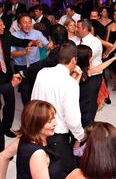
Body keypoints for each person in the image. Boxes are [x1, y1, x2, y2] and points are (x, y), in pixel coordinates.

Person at [31, 43, 86, 178]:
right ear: (74, 59)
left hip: (37, 130)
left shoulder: (42, 73)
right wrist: (80, 136)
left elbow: (34, 101)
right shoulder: (70, 83)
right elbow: (72, 118)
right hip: (56, 136)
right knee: (66, 172)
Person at [76, 45, 116, 127]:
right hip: (79, 104)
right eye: (90, 56)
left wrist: (114, 58)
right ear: (84, 59)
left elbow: (98, 68)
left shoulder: (86, 68)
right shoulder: (75, 71)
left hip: (87, 103)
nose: (92, 58)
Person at [16, 100, 61, 178]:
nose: (55, 123)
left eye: (53, 118)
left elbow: (3, 156)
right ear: (36, 124)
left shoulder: (24, 137)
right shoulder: (38, 154)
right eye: (49, 121)